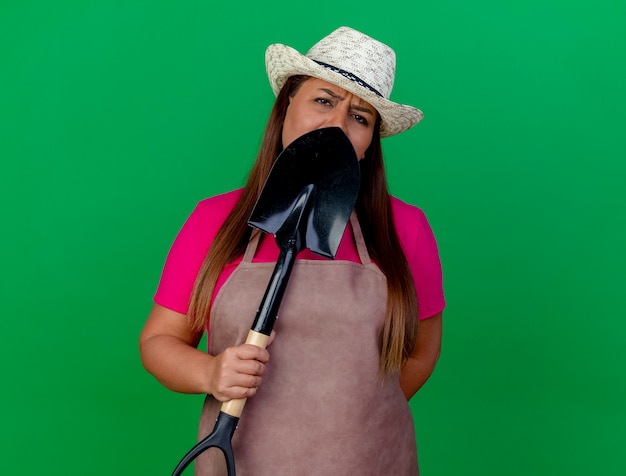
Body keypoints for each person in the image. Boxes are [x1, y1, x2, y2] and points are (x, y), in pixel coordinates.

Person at [140, 26, 445, 475]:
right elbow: (158, 342)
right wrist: (210, 374)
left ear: (368, 145)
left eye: (360, 118)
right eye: (323, 100)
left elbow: (421, 352)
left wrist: (357, 417)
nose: (337, 125)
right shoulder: (215, 220)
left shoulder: (405, 228)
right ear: (285, 107)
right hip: (239, 459)